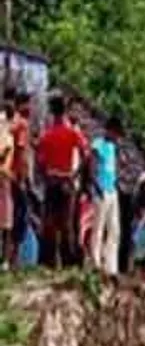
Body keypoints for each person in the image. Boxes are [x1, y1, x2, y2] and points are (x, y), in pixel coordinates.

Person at [35, 94, 89, 268]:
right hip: (67, 180)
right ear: (65, 110)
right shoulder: (72, 133)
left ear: (51, 111)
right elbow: (86, 155)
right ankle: (69, 262)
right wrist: (75, 175)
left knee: (49, 224)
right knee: (67, 224)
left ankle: (49, 261)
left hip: (52, 180)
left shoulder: (47, 135)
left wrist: (46, 177)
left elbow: (40, 162)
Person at [88, 116, 123, 280]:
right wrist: (97, 187)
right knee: (98, 228)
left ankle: (111, 265)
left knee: (114, 228)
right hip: (101, 190)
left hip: (112, 190)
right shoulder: (98, 145)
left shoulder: (113, 147)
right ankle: (95, 261)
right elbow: (92, 169)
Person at [7, 93, 30, 268]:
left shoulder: (7, 124)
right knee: (18, 217)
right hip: (16, 177)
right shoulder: (21, 124)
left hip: (7, 176)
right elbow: (21, 153)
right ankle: (13, 260)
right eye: (27, 104)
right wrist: (23, 178)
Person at [0, 103, 13, 269]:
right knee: (7, 221)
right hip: (3, 177)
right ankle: (5, 261)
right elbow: (4, 154)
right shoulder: (6, 135)